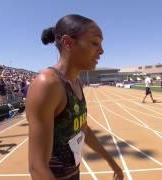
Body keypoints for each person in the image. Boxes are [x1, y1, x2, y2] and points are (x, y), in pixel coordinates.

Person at [26, 14, 124, 180]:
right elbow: (37, 167)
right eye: (95, 43)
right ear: (68, 43)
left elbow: (82, 128)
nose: (101, 50)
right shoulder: (47, 85)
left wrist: (111, 162)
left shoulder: (76, 82)